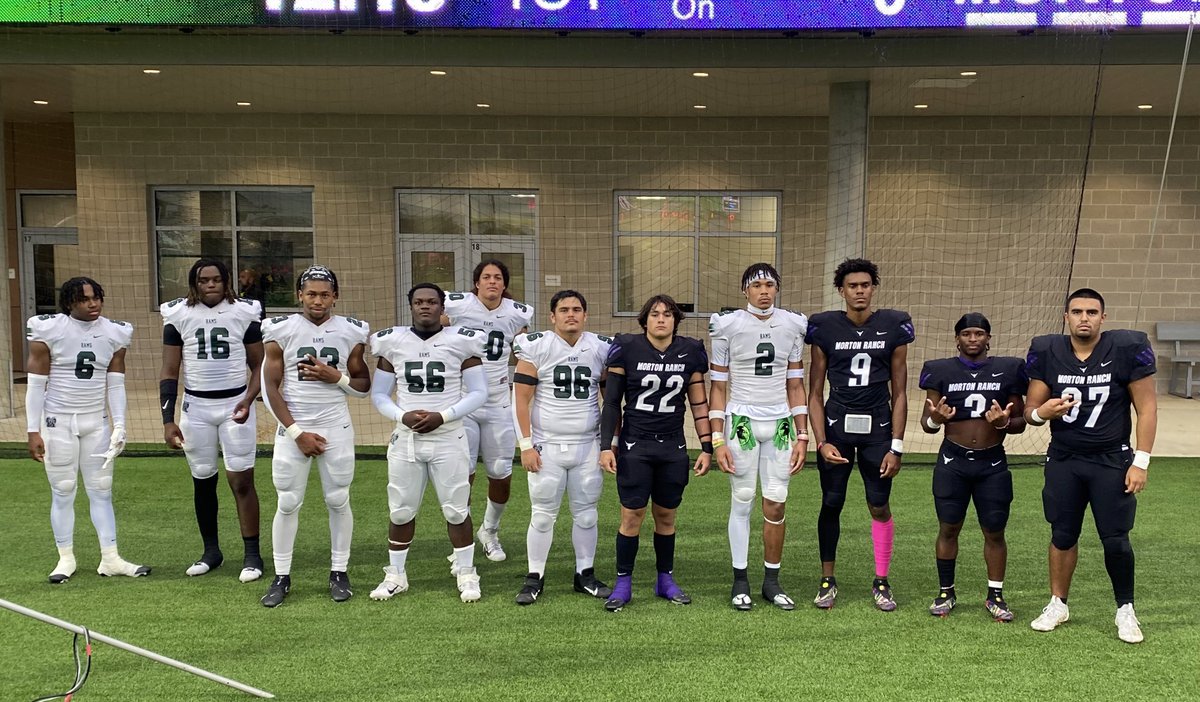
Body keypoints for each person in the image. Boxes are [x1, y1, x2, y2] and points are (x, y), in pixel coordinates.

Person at [1024, 288, 1157, 643]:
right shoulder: (1048, 351)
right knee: (1062, 534)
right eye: (1078, 311)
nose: (1085, 317)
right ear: (1065, 316)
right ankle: (1058, 603)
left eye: (1092, 312)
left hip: (1111, 459)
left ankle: (1125, 609)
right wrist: (1041, 413)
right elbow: (1029, 411)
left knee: (1115, 538)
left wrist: (1140, 462)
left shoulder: (1126, 348)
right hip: (1065, 458)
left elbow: (1146, 408)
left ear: (1103, 317)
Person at [367, 283, 489, 603]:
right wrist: (401, 416)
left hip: (449, 436)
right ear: (410, 306)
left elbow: (479, 392)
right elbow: (379, 394)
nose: (425, 306)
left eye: (432, 302)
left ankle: (465, 572)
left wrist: (443, 416)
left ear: (442, 307)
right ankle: (396, 575)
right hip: (406, 438)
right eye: (419, 301)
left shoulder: (461, 341)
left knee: (456, 509)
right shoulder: (392, 343)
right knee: (401, 509)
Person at [259, 265, 370, 607]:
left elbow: (363, 387)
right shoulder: (281, 329)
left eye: (324, 294)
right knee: (288, 501)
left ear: (335, 296)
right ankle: (281, 576)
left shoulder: (352, 331)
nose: (318, 300)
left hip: (335, 424)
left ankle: (339, 570)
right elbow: (270, 387)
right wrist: (297, 433)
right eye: (311, 294)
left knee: (338, 499)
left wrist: (334, 377)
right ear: (299, 296)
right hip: (294, 427)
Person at [806, 258, 914, 611]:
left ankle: (881, 579)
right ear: (841, 291)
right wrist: (821, 442)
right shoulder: (824, 327)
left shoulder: (893, 325)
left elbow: (900, 391)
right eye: (853, 286)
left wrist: (896, 446)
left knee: (878, 503)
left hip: (878, 428)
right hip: (837, 425)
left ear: (873, 288)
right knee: (832, 502)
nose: (860, 292)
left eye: (865, 285)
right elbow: (814, 392)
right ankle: (827, 579)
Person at [25, 276, 149, 582]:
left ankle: (111, 558)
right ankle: (65, 558)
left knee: (102, 491)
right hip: (58, 420)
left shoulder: (115, 332)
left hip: (96, 421)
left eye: (96, 298)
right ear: (69, 303)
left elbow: (116, 383)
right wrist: (32, 430)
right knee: (64, 490)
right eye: (83, 299)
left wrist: (120, 424)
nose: (92, 304)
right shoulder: (49, 328)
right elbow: (36, 383)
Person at [599, 294, 713, 612]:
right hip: (636, 444)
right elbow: (611, 403)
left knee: (666, 516)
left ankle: (665, 579)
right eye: (654, 314)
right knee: (631, 516)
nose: (661, 318)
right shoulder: (627, 346)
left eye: (667, 314)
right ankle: (623, 582)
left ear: (676, 320)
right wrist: (606, 444)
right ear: (644, 320)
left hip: (673, 445)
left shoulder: (690, 351)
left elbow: (699, 404)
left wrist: (706, 447)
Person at [708, 263, 809, 611]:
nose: (764, 291)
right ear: (744, 290)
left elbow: (795, 384)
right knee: (743, 498)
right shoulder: (728, 325)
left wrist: (803, 435)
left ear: (777, 288)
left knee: (777, 501)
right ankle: (740, 580)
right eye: (757, 285)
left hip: (780, 421)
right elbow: (718, 387)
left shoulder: (793, 324)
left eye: (769, 284)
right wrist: (717, 439)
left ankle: (771, 581)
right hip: (743, 421)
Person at [160, 259, 265, 582]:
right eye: (204, 280)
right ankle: (211, 551)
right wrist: (167, 419)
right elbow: (169, 371)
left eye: (217, 279)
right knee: (203, 480)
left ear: (227, 281)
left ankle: (252, 554)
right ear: (194, 283)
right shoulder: (178, 315)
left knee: (241, 480)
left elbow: (261, 365)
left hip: (235, 405)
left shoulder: (244, 313)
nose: (211, 285)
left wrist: (248, 399)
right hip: (196, 408)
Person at [919, 313, 1026, 620]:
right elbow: (927, 423)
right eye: (967, 334)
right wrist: (935, 420)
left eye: (979, 333)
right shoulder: (940, 371)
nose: (973, 339)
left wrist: (1005, 422)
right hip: (953, 461)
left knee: (994, 530)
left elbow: (1018, 423)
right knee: (948, 527)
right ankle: (946, 591)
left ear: (988, 338)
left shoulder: (1008, 371)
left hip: (992, 461)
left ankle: (995, 594)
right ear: (957, 339)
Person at [511, 290, 613, 605]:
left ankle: (585, 575)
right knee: (542, 515)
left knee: (586, 515)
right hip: (547, 444)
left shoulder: (600, 348)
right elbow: (520, 400)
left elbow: (611, 402)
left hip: (587, 444)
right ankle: (534, 577)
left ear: (586, 315)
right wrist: (525, 445)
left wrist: (610, 444)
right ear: (553, 316)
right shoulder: (536, 346)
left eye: (577, 309)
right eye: (564, 309)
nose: (571, 314)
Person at [442, 260, 534, 563]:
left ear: (504, 284)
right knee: (462, 474)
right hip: (463, 400)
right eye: (486, 277)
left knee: (500, 473)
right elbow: (435, 331)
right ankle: (463, 541)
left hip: (497, 400)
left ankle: (489, 531)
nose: (492, 282)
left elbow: (523, 349)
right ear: (476, 282)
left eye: (497, 278)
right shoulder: (457, 306)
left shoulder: (517, 312)